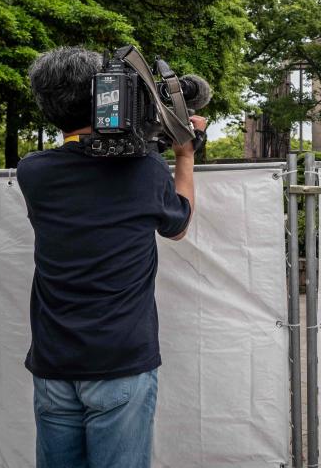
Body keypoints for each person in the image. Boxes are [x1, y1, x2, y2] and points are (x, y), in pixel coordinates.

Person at [16, 46, 206, 468]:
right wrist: (185, 155)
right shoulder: (145, 169)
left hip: (53, 363)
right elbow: (178, 224)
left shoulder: (33, 172)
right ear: (110, 95)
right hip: (120, 362)